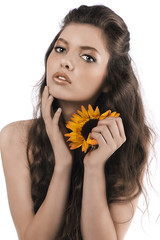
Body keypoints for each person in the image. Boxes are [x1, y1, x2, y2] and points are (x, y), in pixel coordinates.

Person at [0, 4, 151, 240]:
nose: (66, 62)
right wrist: (62, 163)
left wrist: (94, 167)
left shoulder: (129, 141)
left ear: (109, 80)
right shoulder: (16, 137)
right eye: (60, 49)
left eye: (88, 56)